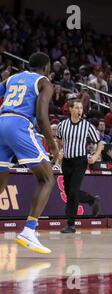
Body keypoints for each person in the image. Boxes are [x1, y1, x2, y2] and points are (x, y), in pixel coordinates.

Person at [0, 52, 59, 254]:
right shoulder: (44, 82)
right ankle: (29, 231)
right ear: (47, 66)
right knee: (47, 179)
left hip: (1, 122)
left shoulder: (12, 78)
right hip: (19, 124)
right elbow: (42, 118)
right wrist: (52, 144)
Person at [56, 99, 103, 233]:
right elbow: (58, 139)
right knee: (69, 192)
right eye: (76, 108)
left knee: (73, 192)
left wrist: (94, 156)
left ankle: (71, 224)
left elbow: (100, 143)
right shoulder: (62, 125)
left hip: (80, 161)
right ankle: (92, 200)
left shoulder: (87, 126)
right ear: (70, 109)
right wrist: (60, 151)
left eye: (81, 108)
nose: (79, 110)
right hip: (66, 161)